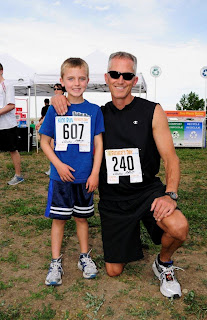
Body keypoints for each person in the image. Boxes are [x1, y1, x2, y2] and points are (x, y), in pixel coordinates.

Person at [50, 52, 189, 298]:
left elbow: (170, 158)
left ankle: (164, 264)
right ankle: (129, 234)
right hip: (114, 199)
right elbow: (74, 110)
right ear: (106, 78)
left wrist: (170, 194)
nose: (120, 80)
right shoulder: (99, 114)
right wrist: (58, 97)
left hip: (147, 192)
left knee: (179, 227)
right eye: (115, 74)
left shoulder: (152, 111)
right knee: (113, 270)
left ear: (134, 80)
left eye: (127, 75)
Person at [39, 57, 105, 286]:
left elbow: (99, 144)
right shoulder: (55, 109)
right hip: (60, 177)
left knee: (82, 218)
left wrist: (95, 172)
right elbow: (44, 141)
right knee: (58, 219)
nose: (76, 83)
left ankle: (84, 257)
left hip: (85, 177)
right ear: (62, 81)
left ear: (88, 80)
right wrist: (57, 164)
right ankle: (55, 262)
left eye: (81, 78)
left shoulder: (94, 111)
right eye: (71, 78)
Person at [0, 63, 24, 185]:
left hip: (7, 124)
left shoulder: (7, 84)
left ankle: (18, 175)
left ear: (1, 70)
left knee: (12, 150)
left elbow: (11, 105)